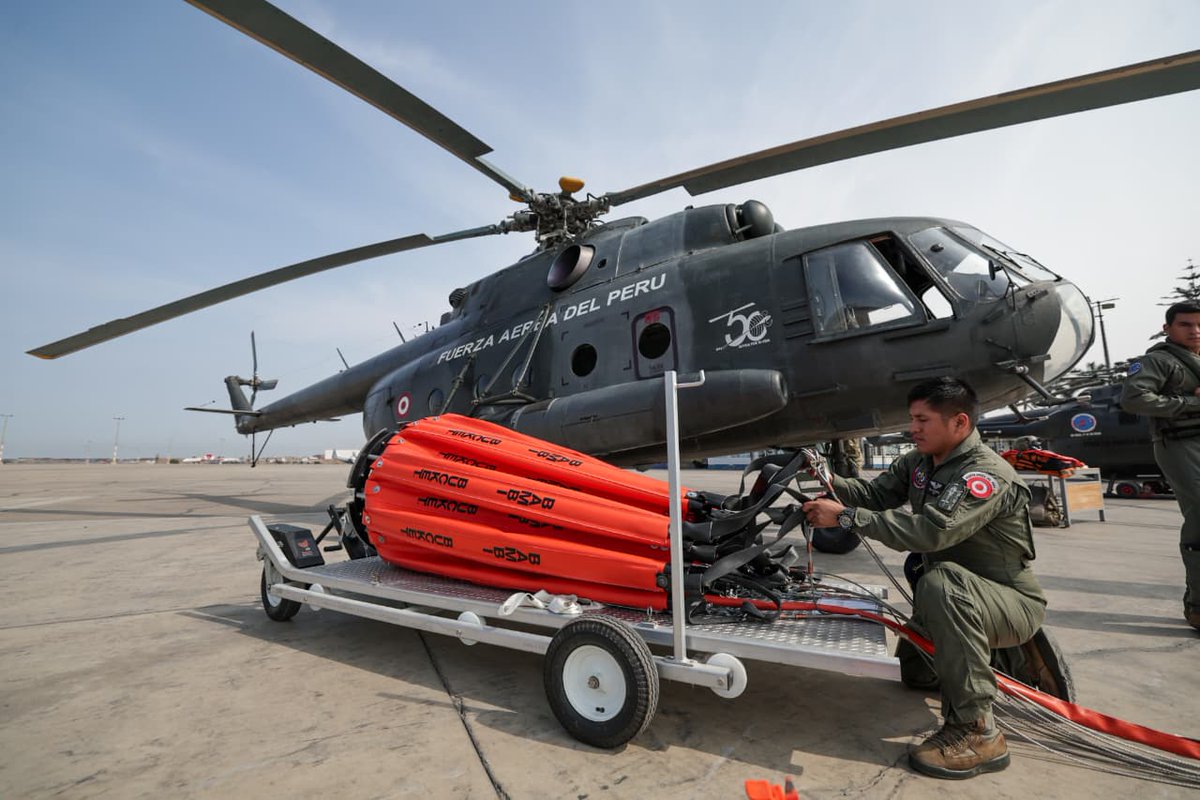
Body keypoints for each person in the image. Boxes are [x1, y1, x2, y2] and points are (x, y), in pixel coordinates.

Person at [802, 377, 1045, 780]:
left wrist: (845, 517)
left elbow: (930, 533)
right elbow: (875, 496)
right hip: (957, 596)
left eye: (921, 420)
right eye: (911, 419)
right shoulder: (919, 461)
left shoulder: (983, 475)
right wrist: (824, 478)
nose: (912, 429)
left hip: (1006, 600)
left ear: (959, 422)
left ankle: (979, 732)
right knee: (915, 675)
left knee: (940, 579)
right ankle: (969, 663)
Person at [1120, 301, 1200, 631]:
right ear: (1168, 328)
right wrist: (1192, 402)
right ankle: (1196, 606)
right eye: (1185, 325)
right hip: (1181, 445)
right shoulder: (1159, 361)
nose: (1195, 331)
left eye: (1199, 325)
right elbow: (1133, 398)